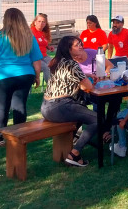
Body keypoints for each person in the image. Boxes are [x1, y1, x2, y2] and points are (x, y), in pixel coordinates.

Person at [0, 8, 43, 146]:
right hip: (25, 74)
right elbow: (36, 59)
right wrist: (37, 76)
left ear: (6, 19)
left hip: (2, 76)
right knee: (19, 104)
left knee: (1, 107)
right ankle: (19, 134)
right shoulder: (29, 36)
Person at [41, 36, 98, 167]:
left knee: (81, 107)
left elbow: (69, 78)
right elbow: (87, 87)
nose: (81, 46)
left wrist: (86, 76)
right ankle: (74, 154)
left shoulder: (57, 61)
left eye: (81, 44)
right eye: (77, 45)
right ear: (69, 49)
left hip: (46, 107)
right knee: (97, 118)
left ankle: (71, 143)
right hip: (60, 106)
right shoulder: (71, 64)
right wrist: (89, 80)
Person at [31, 13, 55, 83]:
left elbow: (43, 43)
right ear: (35, 22)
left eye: (43, 22)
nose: (41, 23)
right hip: (35, 58)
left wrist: (48, 47)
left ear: (45, 24)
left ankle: (57, 84)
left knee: (56, 64)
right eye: (39, 21)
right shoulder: (30, 32)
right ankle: (50, 87)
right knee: (46, 67)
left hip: (44, 56)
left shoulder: (43, 33)